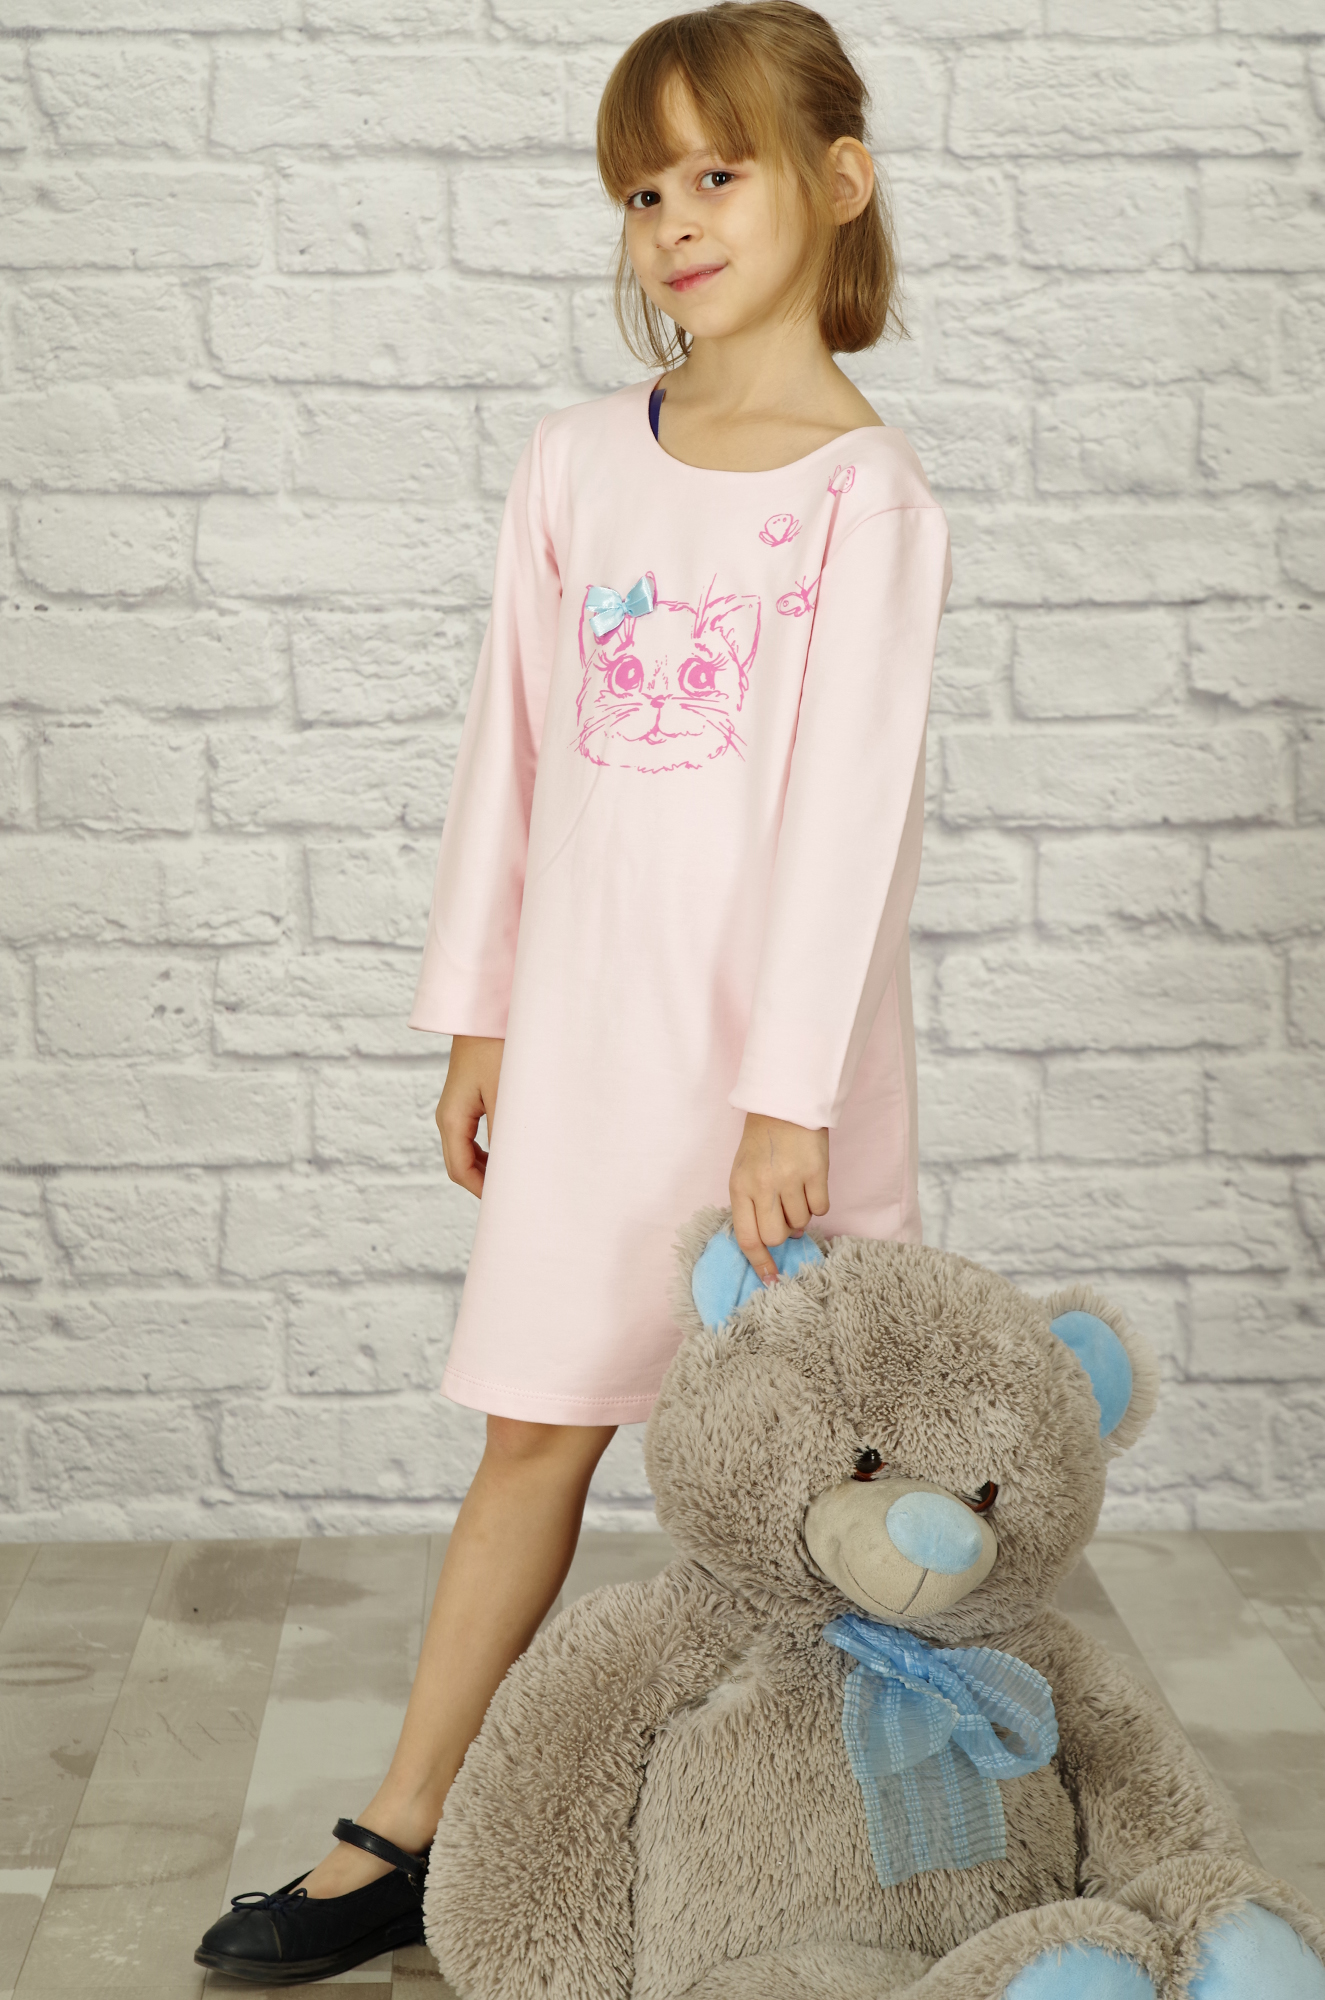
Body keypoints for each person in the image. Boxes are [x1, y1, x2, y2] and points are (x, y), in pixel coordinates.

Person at [194, 0, 952, 1983]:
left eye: (717, 172)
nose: (673, 220)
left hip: (775, 1081)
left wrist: (785, 1099)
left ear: (836, 183)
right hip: (598, 1050)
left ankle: (851, 1846)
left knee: (812, 1476)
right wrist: (485, 1016)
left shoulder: (864, 501)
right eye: (639, 190)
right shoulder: (575, 466)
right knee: (533, 1431)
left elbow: (848, 830)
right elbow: (512, 757)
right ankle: (399, 1831)